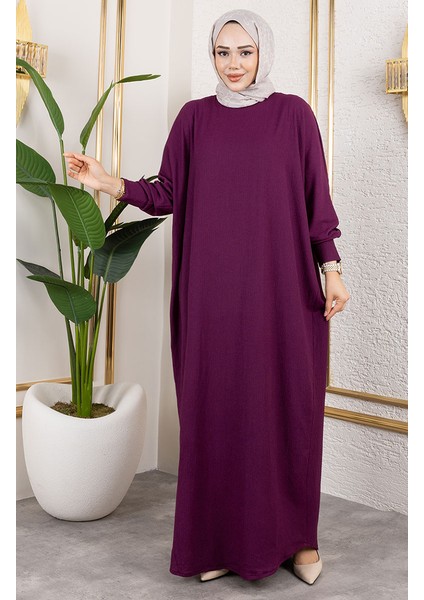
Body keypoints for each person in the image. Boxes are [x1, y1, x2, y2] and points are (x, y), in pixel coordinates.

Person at [64, 8, 350, 586]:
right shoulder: (195, 118)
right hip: (213, 294)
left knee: (286, 410)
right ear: (212, 56)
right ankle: (219, 540)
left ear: (263, 53)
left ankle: (299, 540)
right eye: (223, 52)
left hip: (282, 291)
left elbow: (315, 200)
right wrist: (105, 180)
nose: (234, 64)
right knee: (218, 411)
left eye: (245, 52)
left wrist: (332, 270)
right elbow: (166, 192)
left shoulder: (293, 115)